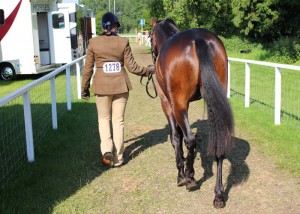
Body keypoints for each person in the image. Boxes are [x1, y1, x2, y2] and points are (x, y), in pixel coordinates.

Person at [81, 12, 155, 168]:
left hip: (101, 87)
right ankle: (119, 158)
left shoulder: (93, 43)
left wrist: (84, 89)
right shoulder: (123, 42)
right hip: (121, 86)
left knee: (103, 119)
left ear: (103, 26)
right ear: (115, 26)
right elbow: (133, 67)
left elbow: (88, 69)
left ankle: (106, 150)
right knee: (118, 121)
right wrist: (149, 70)